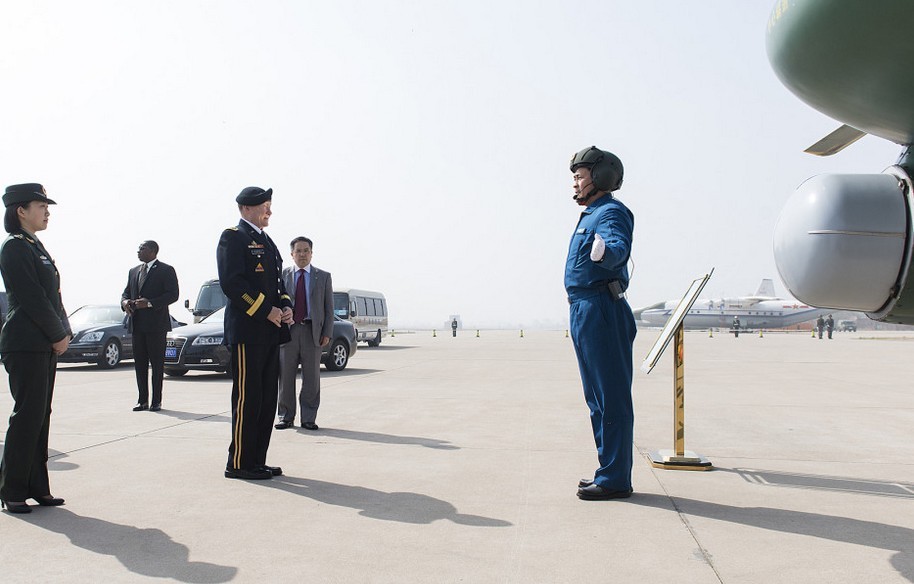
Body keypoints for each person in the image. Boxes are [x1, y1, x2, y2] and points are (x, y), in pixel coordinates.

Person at [564, 146, 637, 501]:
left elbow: (618, 245)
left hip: (601, 309)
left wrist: (606, 253)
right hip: (583, 310)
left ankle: (615, 479)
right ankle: (607, 470)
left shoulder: (610, 212)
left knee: (611, 399)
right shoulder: (591, 214)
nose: (575, 184)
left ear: (601, 177)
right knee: (596, 399)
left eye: (579, 176)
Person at [0, 183, 71, 514]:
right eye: (40, 205)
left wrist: (64, 332)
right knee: (27, 415)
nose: (47, 211)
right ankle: (12, 489)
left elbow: (54, 297)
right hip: (25, 343)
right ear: (20, 211)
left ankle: (37, 486)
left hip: (42, 342)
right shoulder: (14, 248)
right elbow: (32, 299)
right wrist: (57, 334)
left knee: (41, 415)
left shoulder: (35, 246)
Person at [217, 186, 293, 480]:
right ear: (246, 208)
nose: (269, 211)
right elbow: (233, 285)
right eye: (265, 206)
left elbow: (278, 286)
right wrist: (266, 311)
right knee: (247, 399)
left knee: (265, 399)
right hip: (248, 332)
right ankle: (238, 463)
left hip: (271, 332)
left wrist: (284, 307)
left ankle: (256, 460)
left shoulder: (267, 241)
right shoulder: (233, 238)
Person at [275, 236, 333, 431]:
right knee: (285, 376)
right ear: (292, 254)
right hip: (288, 333)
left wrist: (327, 332)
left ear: (311, 253)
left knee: (311, 378)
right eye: (298, 251)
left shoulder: (323, 277)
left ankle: (308, 418)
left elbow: (328, 308)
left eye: (306, 250)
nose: (302, 254)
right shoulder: (282, 275)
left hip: (312, 332)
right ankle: (286, 416)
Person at [121, 240, 179, 412]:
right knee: (139, 364)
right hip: (137, 325)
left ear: (153, 251)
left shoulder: (166, 270)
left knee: (157, 365)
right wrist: (125, 302)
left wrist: (150, 304)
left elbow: (173, 295)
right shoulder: (134, 271)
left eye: (142, 249)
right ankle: (142, 400)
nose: (138, 252)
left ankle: (156, 401)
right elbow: (125, 292)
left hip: (156, 326)